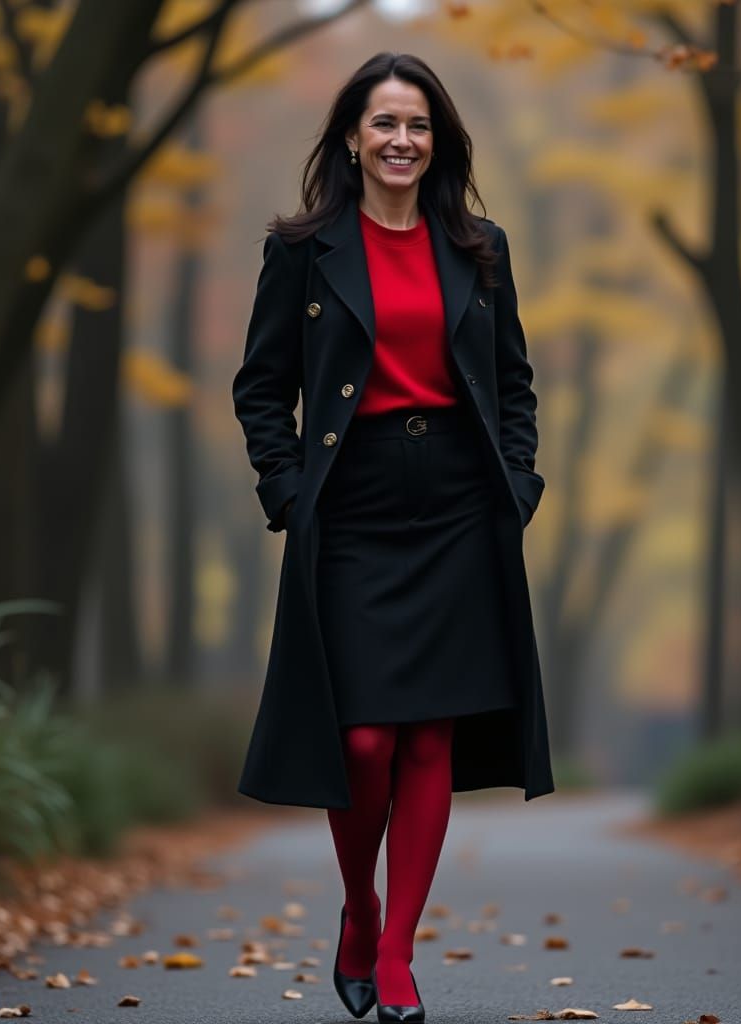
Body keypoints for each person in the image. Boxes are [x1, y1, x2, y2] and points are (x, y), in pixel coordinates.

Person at [232, 51, 554, 1023]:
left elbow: (512, 381)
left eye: (416, 125)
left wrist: (520, 480)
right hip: (354, 508)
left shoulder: (479, 247)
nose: (400, 140)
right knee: (364, 737)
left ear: (437, 140)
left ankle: (399, 953)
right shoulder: (303, 250)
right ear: (350, 139)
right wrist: (290, 491)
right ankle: (360, 907)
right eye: (383, 124)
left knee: (428, 739)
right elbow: (260, 387)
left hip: (458, 506)